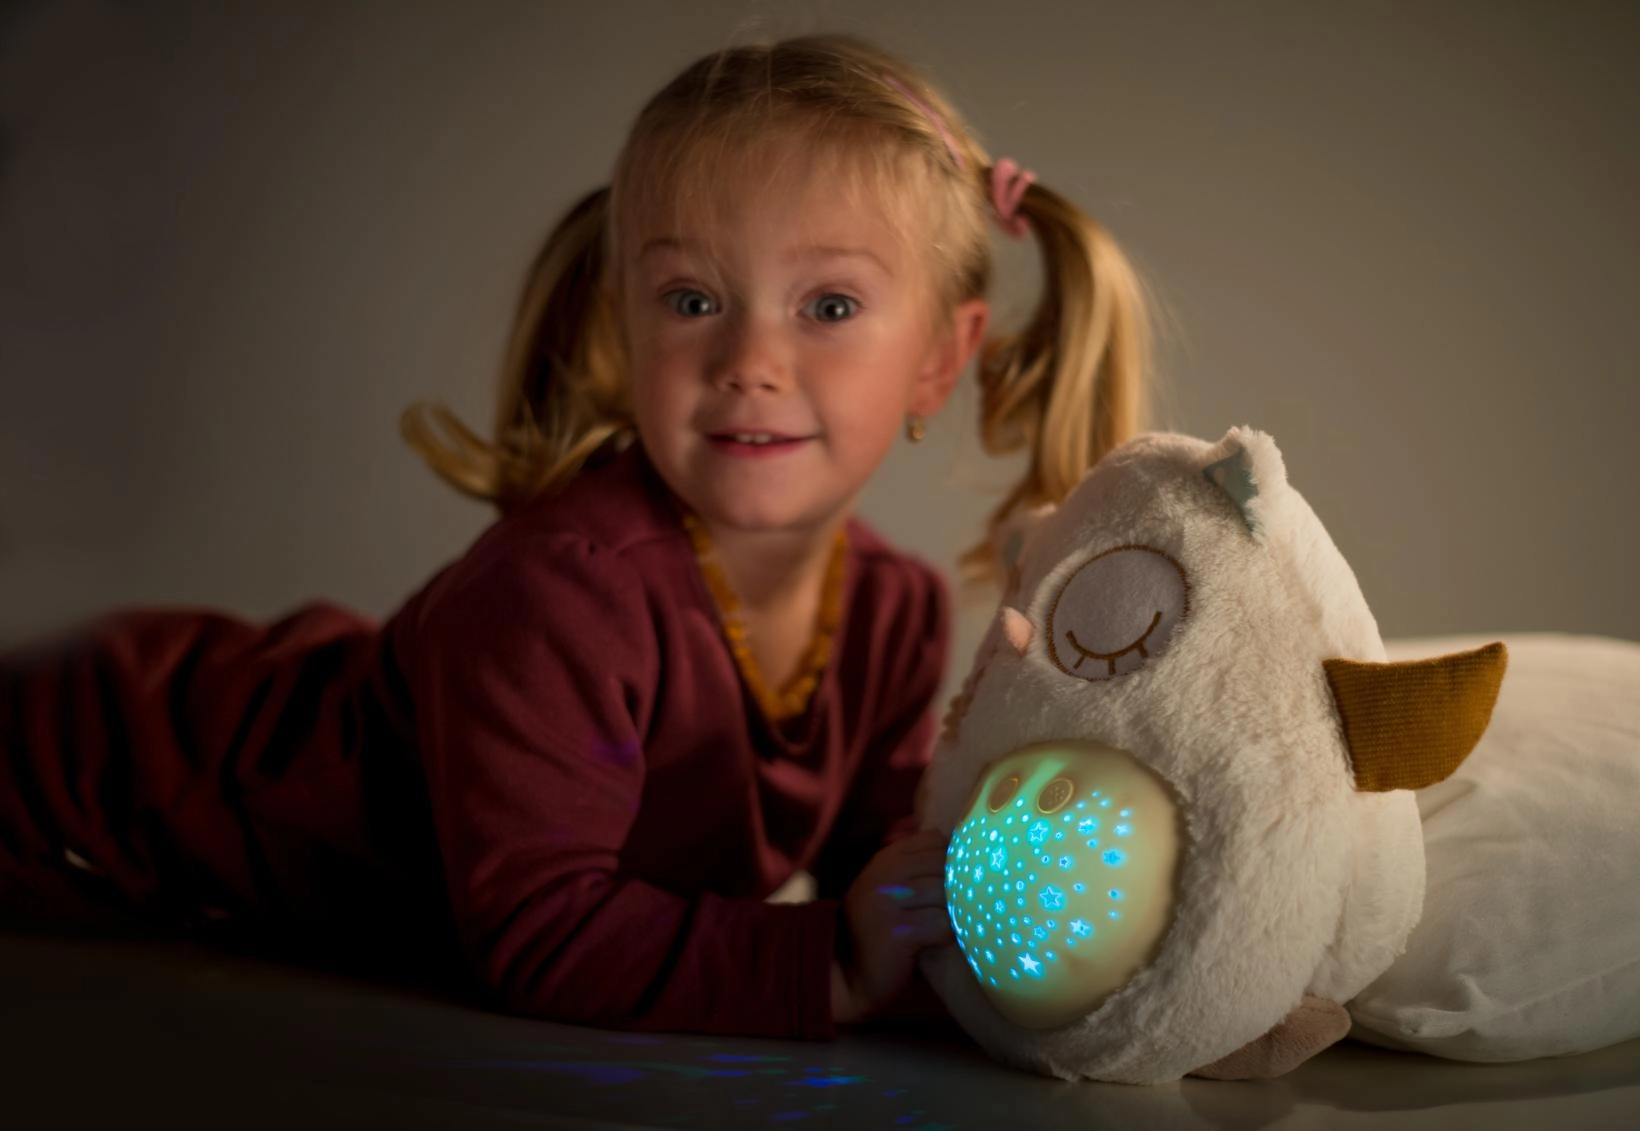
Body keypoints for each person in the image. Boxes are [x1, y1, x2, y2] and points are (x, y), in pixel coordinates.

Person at [0, 33, 1150, 1039]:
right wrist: (834, 967)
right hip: (85, 778)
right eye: (692, 300)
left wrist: (1067, 977)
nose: (748, 360)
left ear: (940, 358)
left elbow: (889, 881)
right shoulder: (562, 591)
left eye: (829, 306)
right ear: (623, 324)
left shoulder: (892, 612)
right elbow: (540, 932)